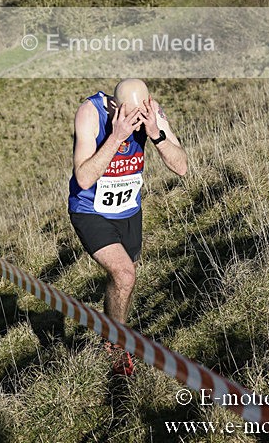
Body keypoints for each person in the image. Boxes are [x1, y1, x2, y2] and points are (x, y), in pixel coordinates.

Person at [69, 79, 187, 376]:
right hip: (90, 210)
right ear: (116, 107)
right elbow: (83, 178)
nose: (137, 122)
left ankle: (112, 328)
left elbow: (182, 166)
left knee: (124, 280)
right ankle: (115, 346)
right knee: (124, 274)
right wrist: (116, 137)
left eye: (141, 114)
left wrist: (156, 135)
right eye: (131, 116)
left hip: (128, 210)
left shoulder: (152, 113)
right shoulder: (90, 113)